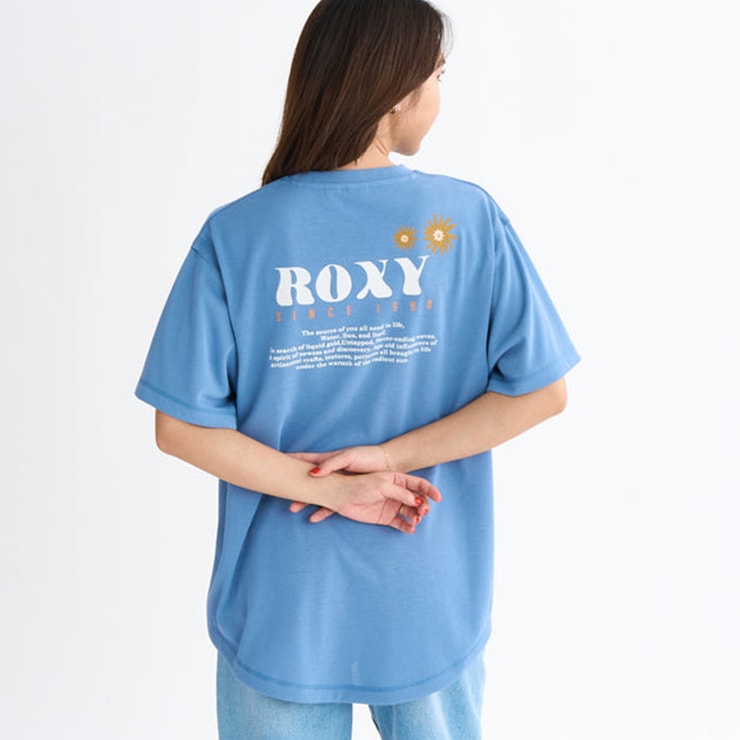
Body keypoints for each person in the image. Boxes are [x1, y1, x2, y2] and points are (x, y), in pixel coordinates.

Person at [135, 0, 580, 737]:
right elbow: (540, 392)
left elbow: (181, 427)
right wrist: (388, 461)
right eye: (436, 76)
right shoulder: (467, 218)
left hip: (282, 600)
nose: (437, 95)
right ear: (398, 89)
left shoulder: (237, 234)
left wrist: (331, 488)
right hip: (425, 585)